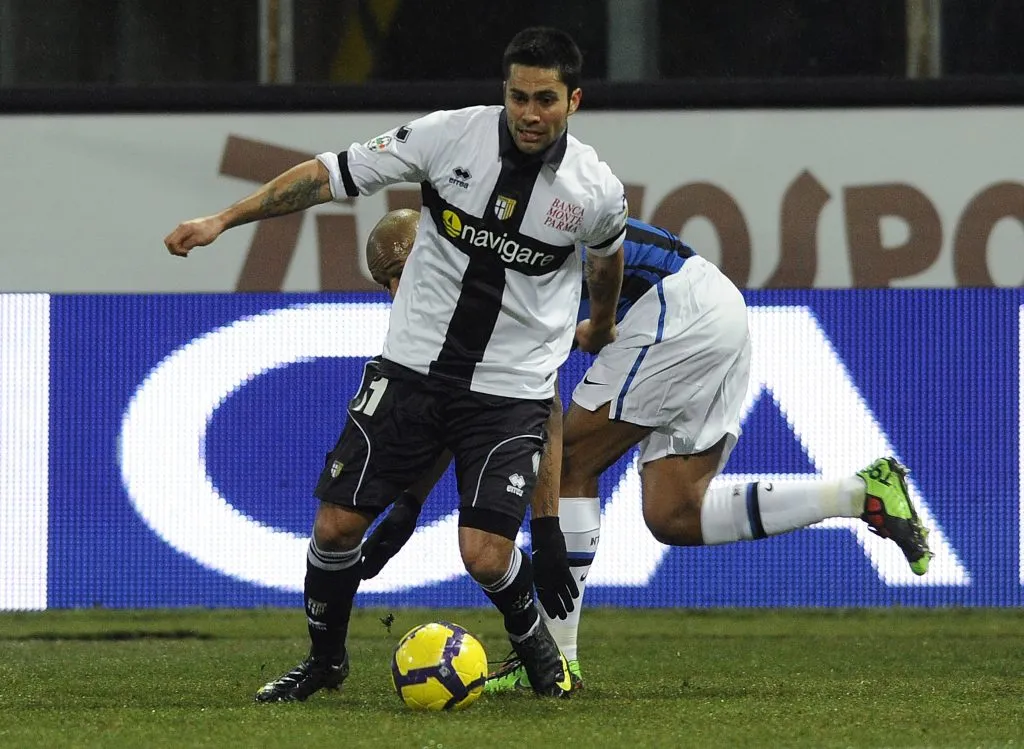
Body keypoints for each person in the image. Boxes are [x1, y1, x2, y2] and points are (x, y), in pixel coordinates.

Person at [164, 27, 629, 701]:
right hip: (410, 368)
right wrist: (223, 219)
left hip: (509, 389)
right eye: (519, 97)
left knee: (485, 554)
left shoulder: (594, 191)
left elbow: (607, 260)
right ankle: (325, 661)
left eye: (546, 100)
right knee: (335, 526)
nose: (531, 114)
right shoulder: (447, 138)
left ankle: (536, 646)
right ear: (504, 93)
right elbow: (329, 173)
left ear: (573, 101)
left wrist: (605, 322)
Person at [358, 209, 933, 692]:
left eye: (403, 273)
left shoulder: (496, 267)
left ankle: (556, 659)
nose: (398, 293)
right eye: (386, 281)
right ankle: (860, 493)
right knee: (675, 512)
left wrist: (549, 529)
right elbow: (463, 397)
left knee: (571, 462)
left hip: (678, 307)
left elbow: (541, 406)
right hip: (711, 307)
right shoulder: (467, 283)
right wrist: (409, 506)